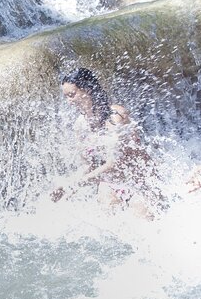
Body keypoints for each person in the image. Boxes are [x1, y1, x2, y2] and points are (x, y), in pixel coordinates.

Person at [52, 68, 163, 219]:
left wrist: (75, 184)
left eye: (72, 95)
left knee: (144, 224)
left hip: (141, 182)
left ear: (89, 90)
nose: (69, 102)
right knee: (111, 228)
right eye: (66, 97)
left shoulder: (116, 116)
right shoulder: (80, 125)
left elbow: (113, 162)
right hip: (111, 184)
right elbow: (88, 166)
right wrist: (67, 185)